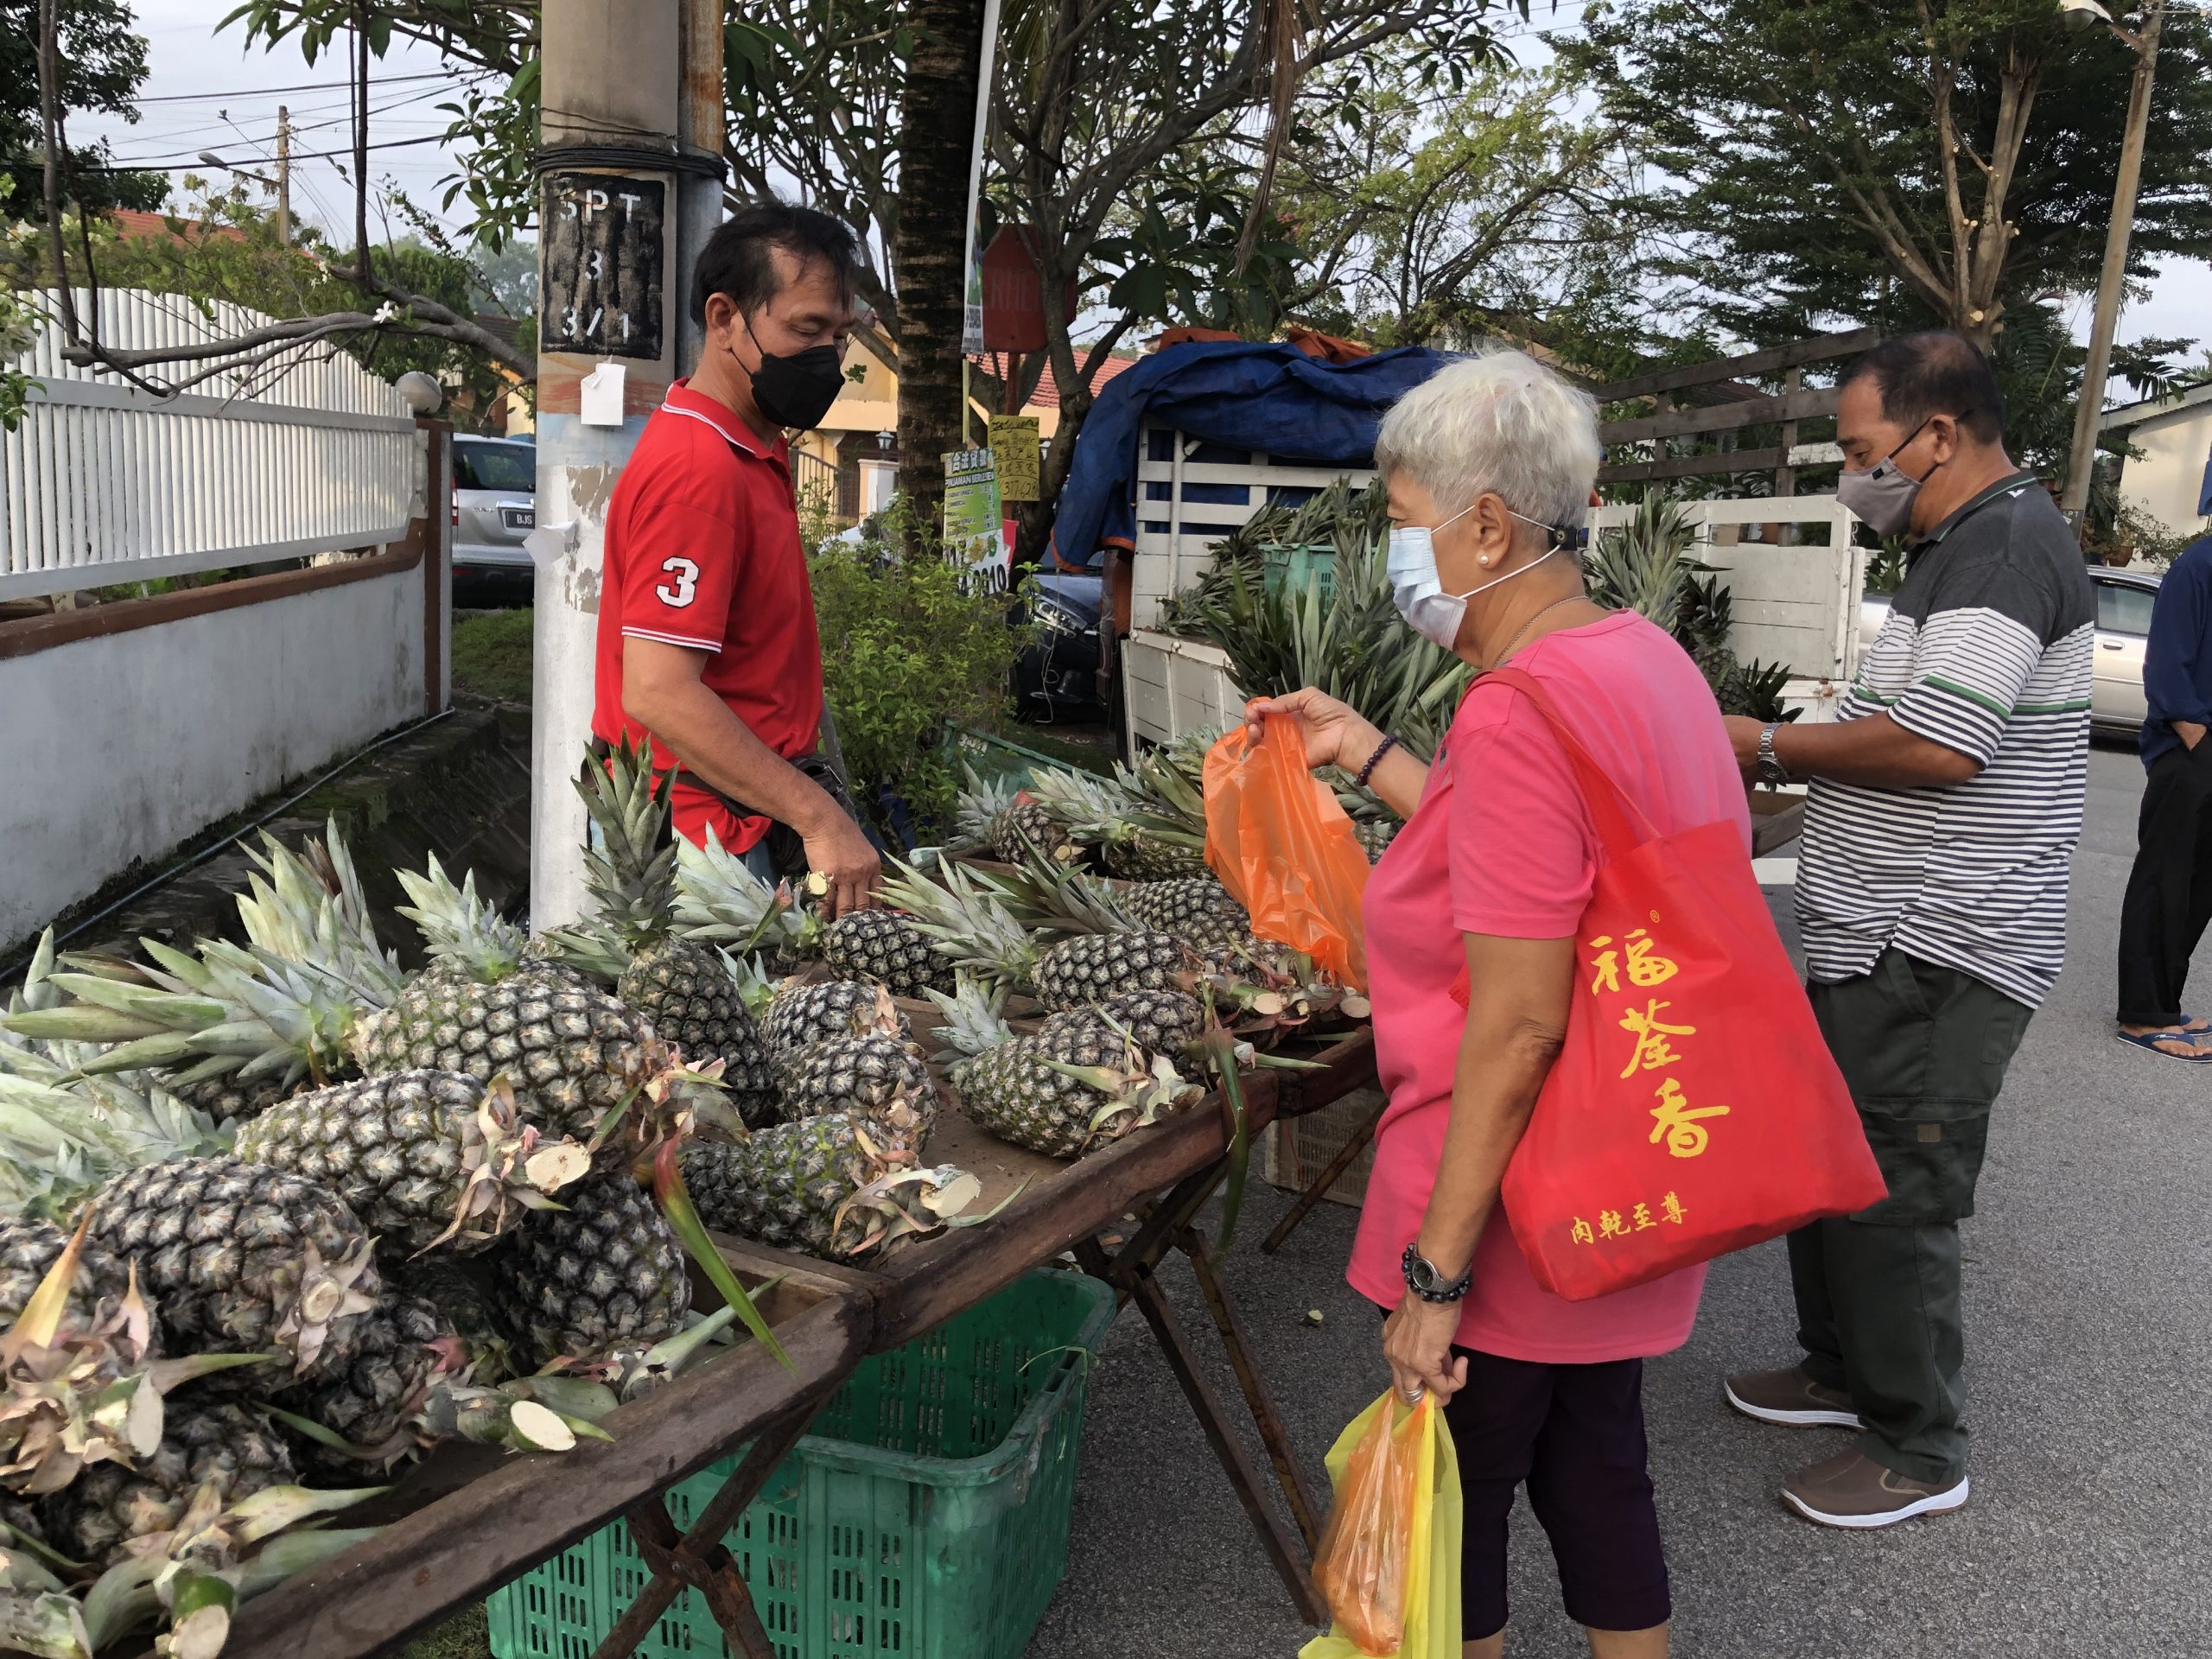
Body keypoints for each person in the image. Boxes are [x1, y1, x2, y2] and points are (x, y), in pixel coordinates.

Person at [1249, 350, 1749, 1659]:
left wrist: (1436, 1275)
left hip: (1513, 1197)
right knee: (1599, 1472)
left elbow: (1519, 1021)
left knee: (1454, 1517)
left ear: (1486, 523)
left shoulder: (1523, 709)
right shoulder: (1641, 663)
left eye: (1404, 523)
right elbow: (1528, 863)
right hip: (1626, 1160)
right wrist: (1362, 749)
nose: (1395, 555)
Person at [1719, 332, 2093, 1528]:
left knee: (1893, 1185)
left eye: (1861, 451)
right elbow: (1900, 724)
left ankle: (1920, 1446)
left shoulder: (2004, 550)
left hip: (1938, 943)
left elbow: (1942, 747)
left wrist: (1765, 746)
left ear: (1938, 435)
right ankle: (1842, 1370)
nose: (1853, 475)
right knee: (1828, 1158)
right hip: (1872, 928)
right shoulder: (1952, 547)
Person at [588, 199, 880, 914]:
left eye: (839, 334)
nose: (828, 357)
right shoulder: (699, 471)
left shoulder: (749, 445)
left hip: (741, 817)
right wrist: (817, 816)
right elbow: (659, 692)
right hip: (703, 845)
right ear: (725, 319)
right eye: (807, 329)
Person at [2115, 530, 2212, 1059]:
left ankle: (2166, 1004)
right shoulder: (2197, 566)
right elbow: (2167, 663)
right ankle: (2142, 1014)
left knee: (2199, 885)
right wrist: (2193, 732)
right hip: (2191, 746)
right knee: (2165, 879)